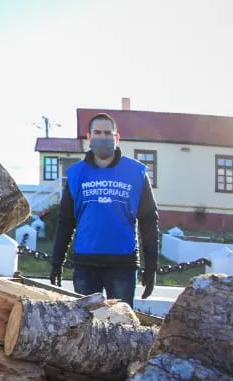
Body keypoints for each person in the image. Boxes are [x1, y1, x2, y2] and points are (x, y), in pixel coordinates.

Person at [49, 113, 158, 304]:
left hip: (122, 266)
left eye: (108, 133)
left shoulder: (136, 173)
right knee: (85, 326)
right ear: (89, 137)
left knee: (122, 326)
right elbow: (66, 221)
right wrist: (56, 262)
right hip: (85, 265)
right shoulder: (75, 174)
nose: (103, 137)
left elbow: (149, 221)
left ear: (117, 138)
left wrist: (151, 267)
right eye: (97, 132)